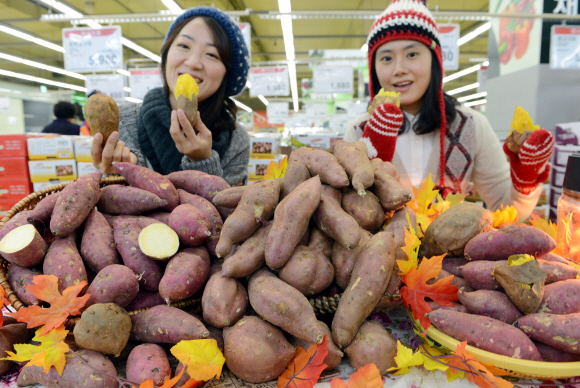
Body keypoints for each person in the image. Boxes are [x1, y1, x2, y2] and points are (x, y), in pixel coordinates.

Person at [344, 0, 554, 221]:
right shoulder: (359, 131)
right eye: (386, 58)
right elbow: (352, 213)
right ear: (373, 67)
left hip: (450, 253)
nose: (399, 69)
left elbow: (508, 209)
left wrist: (526, 181)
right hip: (380, 254)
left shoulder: (471, 126)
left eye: (412, 54)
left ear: (435, 60)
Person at [90, 7, 251, 185]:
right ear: (166, 54)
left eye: (212, 54)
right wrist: (122, 173)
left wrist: (203, 162)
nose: (193, 62)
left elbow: (230, 210)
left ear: (227, 74)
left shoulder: (236, 139)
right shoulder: (124, 121)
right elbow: (113, 204)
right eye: (183, 46)